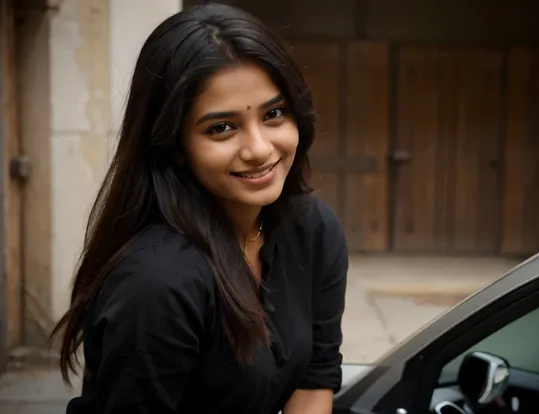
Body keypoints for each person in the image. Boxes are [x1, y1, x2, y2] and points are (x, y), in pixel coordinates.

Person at [50, 3, 348, 414]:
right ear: (173, 145)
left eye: (274, 114)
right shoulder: (157, 283)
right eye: (221, 127)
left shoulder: (312, 229)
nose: (260, 149)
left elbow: (315, 381)